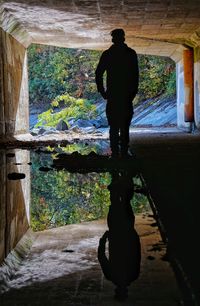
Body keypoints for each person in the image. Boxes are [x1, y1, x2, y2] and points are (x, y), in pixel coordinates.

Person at [95, 28, 139, 157]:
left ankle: (115, 154)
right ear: (124, 38)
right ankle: (124, 154)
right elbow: (135, 76)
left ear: (113, 39)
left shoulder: (108, 54)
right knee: (125, 127)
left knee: (114, 126)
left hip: (113, 96)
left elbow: (98, 74)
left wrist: (102, 91)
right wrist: (133, 93)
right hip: (126, 96)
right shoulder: (131, 54)